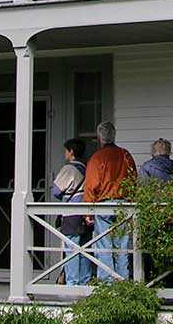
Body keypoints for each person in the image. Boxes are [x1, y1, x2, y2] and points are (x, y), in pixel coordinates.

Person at [83, 120, 136, 281]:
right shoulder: (125, 155)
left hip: (104, 204)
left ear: (99, 138)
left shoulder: (97, 158)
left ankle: (107, 284)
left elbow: (92, 185)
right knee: (122, 246)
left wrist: (88, 211)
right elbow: (133, 180)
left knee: (103, 246)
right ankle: (122, 281)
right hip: (123, 204)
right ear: (114, 136)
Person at [51, 138, 91, 286]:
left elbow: (56, 191)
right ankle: (85, 281)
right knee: (86, 249)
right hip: (86, 213)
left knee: (72, 249)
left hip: (71, 213)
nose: (65, 153)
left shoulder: (68, 169)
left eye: (66, 150)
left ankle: (72, 283)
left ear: (71, 152)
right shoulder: (88, 169)